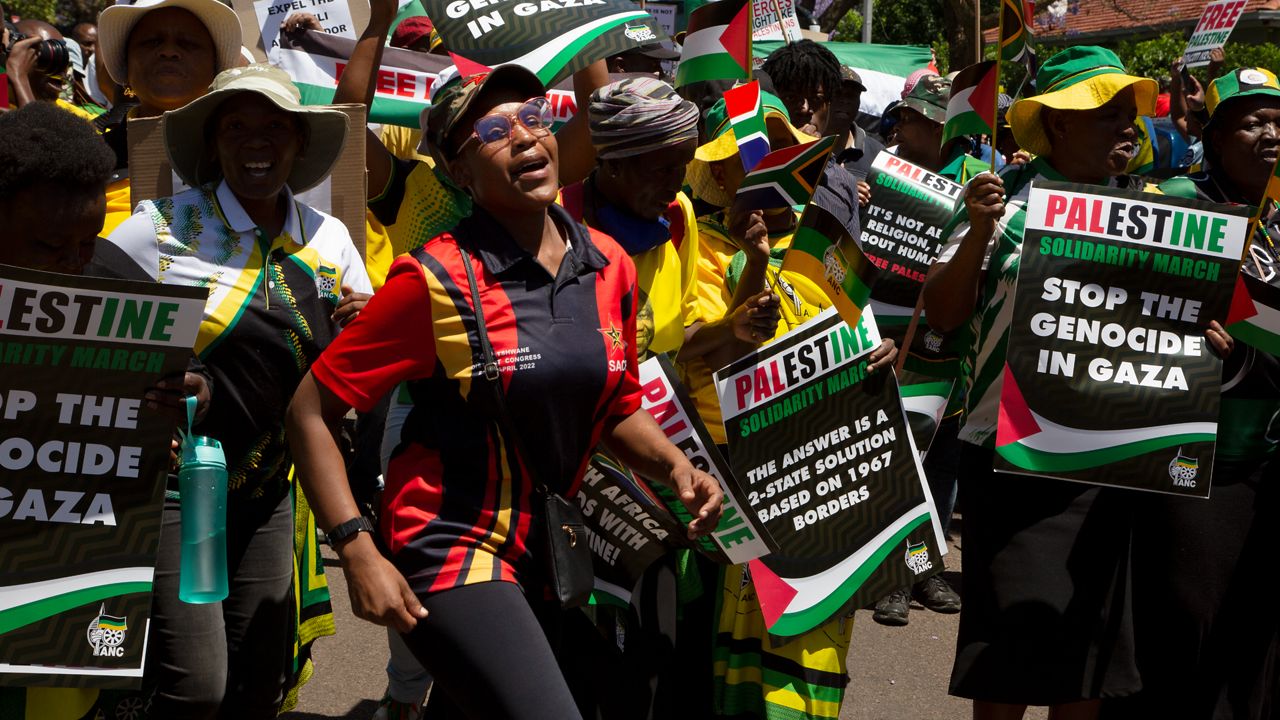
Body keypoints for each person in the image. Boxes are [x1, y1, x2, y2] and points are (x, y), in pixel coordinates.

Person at [286, 63, 724, 720]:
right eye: (494, 131)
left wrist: (676, 466)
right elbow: (310, 410)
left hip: (548, 552)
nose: (525, 139)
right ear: (460, 171)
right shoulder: (433, 280)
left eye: (534, 118)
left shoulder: (609, 265)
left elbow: (616, 407)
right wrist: (356, 546)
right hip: (448, 543)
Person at [922, 46, 1232, 720]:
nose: (1131, 126)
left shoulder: (1164, 216)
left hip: (1113, 468)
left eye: (1132, 113)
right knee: (1005, 660)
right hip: (1011, 461)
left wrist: (1201, 340)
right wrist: (977, 232)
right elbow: (941, 320)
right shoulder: (1001, 202)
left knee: (1088, 663)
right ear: (1057, 124)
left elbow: (1177, 330)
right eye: (1108, 114)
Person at [106, 63, 372, 718]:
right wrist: (147, 386)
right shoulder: (159, 229)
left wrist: (362, 330)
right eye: (237, 126)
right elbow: (89, 325)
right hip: (179, 493)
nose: (257, 141)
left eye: (275, 127)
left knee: (260, 683)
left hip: (270, 492)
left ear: (300, 143)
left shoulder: (329, 239)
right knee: (196, 687)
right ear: (214, 143)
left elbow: (353, 367)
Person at [0, 99, 212, 720]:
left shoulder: (104, 271)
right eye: (49, 246)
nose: (74, 264)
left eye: (86, 242)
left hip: (61, 578)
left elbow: (196, 371)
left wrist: (189, 391)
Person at [1104, 67, 1280, 720]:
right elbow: (1112, 313)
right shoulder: (1174, 202)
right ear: (1211, 131)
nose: (1270, 135)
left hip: (1264, 462)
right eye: (1252, 121)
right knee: (1181, 627)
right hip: (1180, 458)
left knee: (1254, 641)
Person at [94, 0, 244, 236]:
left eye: (188, 43)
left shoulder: (252, 159)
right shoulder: (86, 164)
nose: (169, 51)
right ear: (126, 67)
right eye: (151, 42)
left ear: (215, 69)